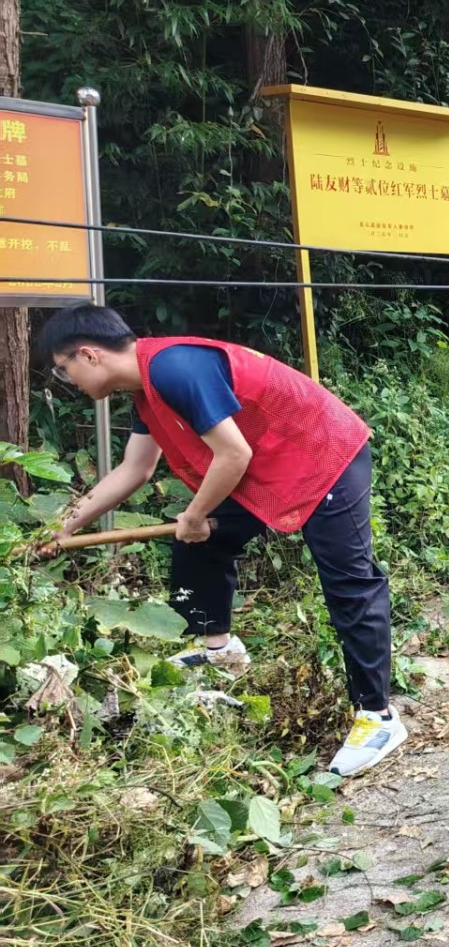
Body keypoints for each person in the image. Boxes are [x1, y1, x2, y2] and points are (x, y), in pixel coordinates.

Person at [38, 304, 406, 776]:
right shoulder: (147, 388)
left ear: (88, 355)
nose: (73, 384)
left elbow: (232, 453)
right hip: (265, 467)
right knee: (198, 542)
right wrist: (61, 527)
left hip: (322, 452)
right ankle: (220, 651)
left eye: (65, 372)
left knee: (349, 581)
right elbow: (136, 468)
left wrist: (195, 513)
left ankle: (376, 717)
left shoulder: (175, 367)